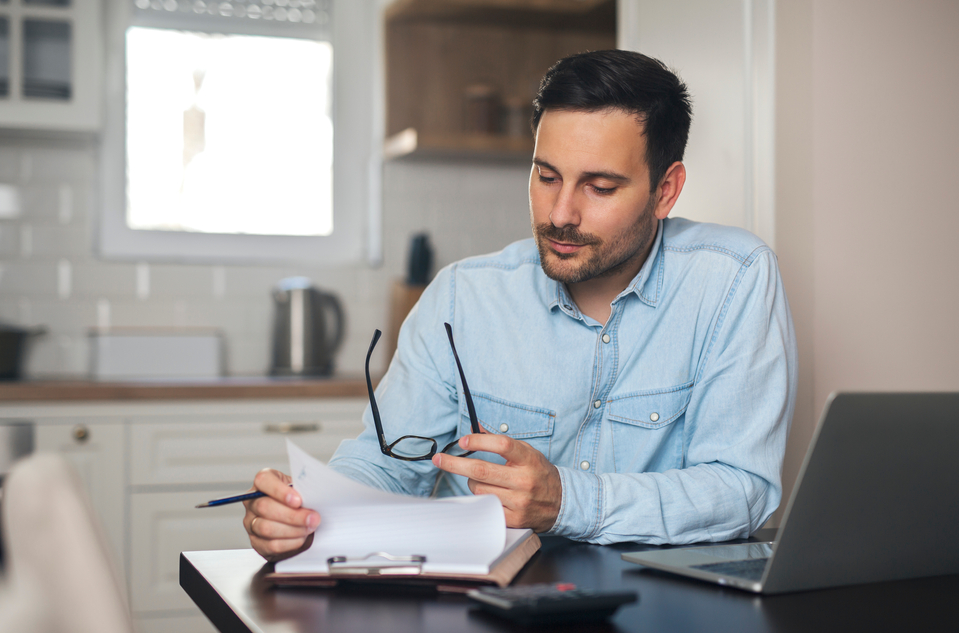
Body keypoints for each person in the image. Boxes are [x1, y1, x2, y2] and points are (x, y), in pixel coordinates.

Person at [244, 49, 797, 561]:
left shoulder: (734, 280)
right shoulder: (462, 298)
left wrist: (568, 501)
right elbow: (386, 466)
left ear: (666, 190)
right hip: (483, 620)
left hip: (667, 621)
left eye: (599, 187)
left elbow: (741, 490)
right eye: (546, 175)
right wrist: (310, 512)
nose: (560, 213)